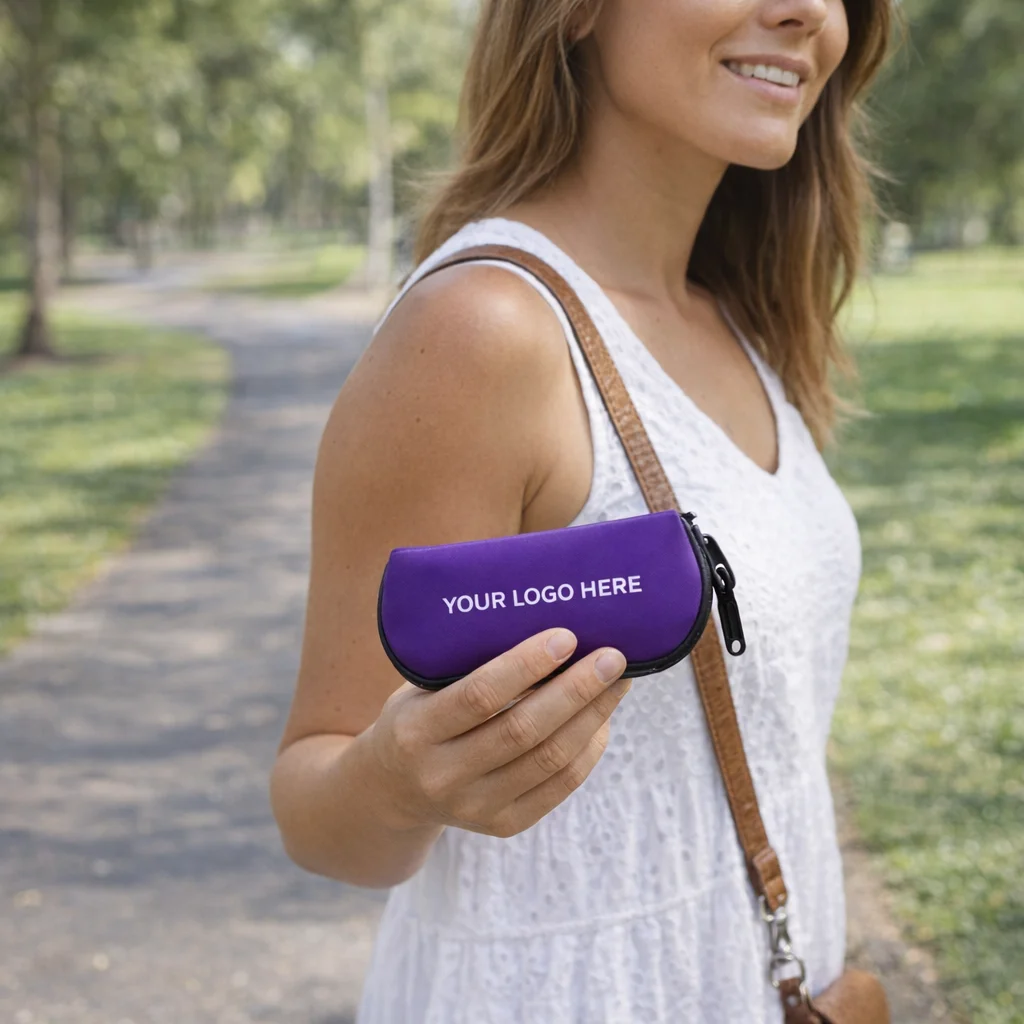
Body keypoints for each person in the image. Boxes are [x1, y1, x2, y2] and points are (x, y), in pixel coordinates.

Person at [270, 0, 893, 1020]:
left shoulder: (733, 314)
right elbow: (317, 811)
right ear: (575, 13)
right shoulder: (483, 331)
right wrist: (401, 781)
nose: (805, 13)